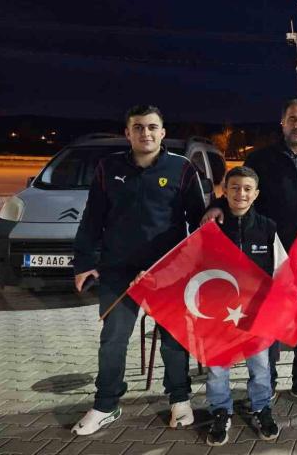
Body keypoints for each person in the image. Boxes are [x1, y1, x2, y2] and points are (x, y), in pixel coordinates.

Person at [72, 105, 206, 435]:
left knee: (174, 340)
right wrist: (84, 263)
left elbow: (199, 222)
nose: (146, 133)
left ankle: (179, 399)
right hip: (118, 270)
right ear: (127, 133)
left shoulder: (182, 168)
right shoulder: (108, 168)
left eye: (152, 127)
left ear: (163, 132)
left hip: (167, 271)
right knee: (113, 339)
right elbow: (92, 218)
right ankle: (106, 404)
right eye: (138, 127)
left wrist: (193, 267)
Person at [202, 99, 297, 407]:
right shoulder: (262, 159)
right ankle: (269, 381)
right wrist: (217, 206)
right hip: (269, 252)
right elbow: (242, 189)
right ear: (283, 123)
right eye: (292, 119)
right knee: (270, 318)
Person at [205, 166, 279, 446]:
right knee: (217, 366)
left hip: (256, 311)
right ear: (224, 190)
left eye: (248, 189)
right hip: (217, 310)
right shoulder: (210, 226)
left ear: (256, 194)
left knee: (260, 365)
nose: (241, 194)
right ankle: (220, 410)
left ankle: (261, 408)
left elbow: (279, 268)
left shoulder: (268, 227)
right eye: (235, 187)